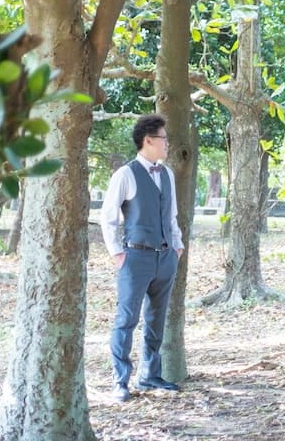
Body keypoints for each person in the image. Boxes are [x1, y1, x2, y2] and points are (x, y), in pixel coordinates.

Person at [101, 114, 185, 401]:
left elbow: (171, 215)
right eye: (163, 139)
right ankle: (120, 381)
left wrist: (177, 246)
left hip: (165, 258)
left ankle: (150, 376)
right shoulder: (125, 174)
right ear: (148, 141)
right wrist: (117, 254)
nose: (167, 144)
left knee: (156, 320)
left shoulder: (167, 174)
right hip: (135, 258)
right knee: (126, 319)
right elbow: (108, 217)